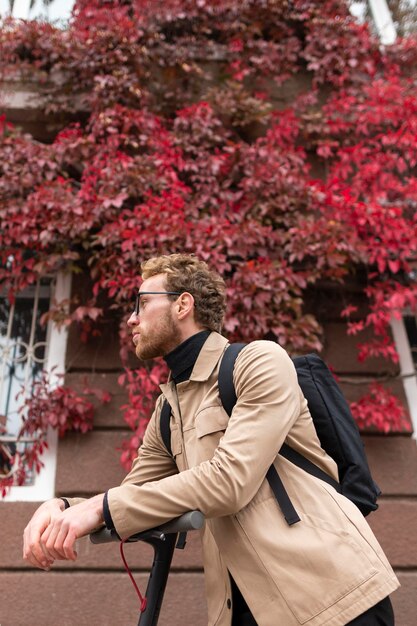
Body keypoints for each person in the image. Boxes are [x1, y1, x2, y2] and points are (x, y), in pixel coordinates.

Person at [23, 253, 399, 625]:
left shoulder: (259, 361)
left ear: (183, 304)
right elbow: (134, 496)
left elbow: (229, 481)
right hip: (245, 608)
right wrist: (64, 506)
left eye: (142, 302)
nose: (131, 318)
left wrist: (96, 508)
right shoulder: (168, 408)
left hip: (332, 596)